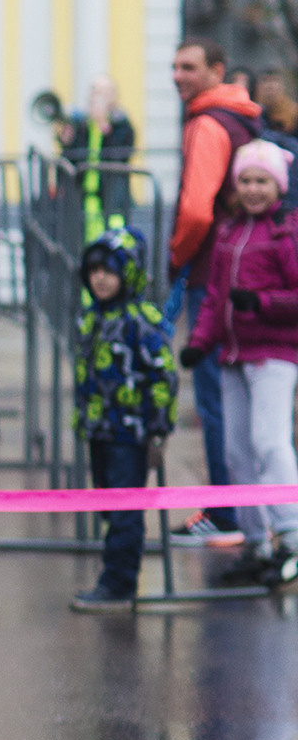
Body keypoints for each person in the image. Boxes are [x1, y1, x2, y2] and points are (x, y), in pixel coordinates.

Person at [181, 139, 298, 587]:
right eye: (246, 180)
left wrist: (263, 303)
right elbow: (214, 298)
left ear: (278, 186)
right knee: (237, 452)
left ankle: (288, 535)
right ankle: (255, 541)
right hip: (231, 357)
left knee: (271, 443)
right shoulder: (228, 233)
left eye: (261, 181)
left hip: (273, 355)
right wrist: (199, 342)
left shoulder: (285, 234)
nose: (252, 189)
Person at [166, 39, 261, 549]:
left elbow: (198, 209)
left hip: (213, 274)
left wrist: (177, 254)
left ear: (216, 71)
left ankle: (224, 511)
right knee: (247, 401)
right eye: (174, 66)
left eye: (189, 67)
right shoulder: (244, 119)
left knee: (216, 398)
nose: (177, 76)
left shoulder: (208, 124)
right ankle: (251, 511)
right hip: (248, 271)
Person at [70, 227, 178, 611]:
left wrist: (159, 429)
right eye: (94, 270)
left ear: (129, 274)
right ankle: (116, 571)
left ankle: (118, 584)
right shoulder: (91, 317)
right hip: (99, 428)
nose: (100, 278)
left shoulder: (141, 321)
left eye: (110, 271)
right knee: (107, 504)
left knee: (125, 509)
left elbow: (164, 376)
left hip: (130, 433)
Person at [57, 76, 137, 243]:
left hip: (112, 199)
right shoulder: (83, 125)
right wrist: (67, 142)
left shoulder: (121, 124)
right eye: (94, 92)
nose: (96, 97)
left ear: (113, 97)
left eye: (102, 93)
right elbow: (73, 159)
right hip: (85, 198)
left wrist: (105, 127)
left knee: (113, 244)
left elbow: (121, 155)